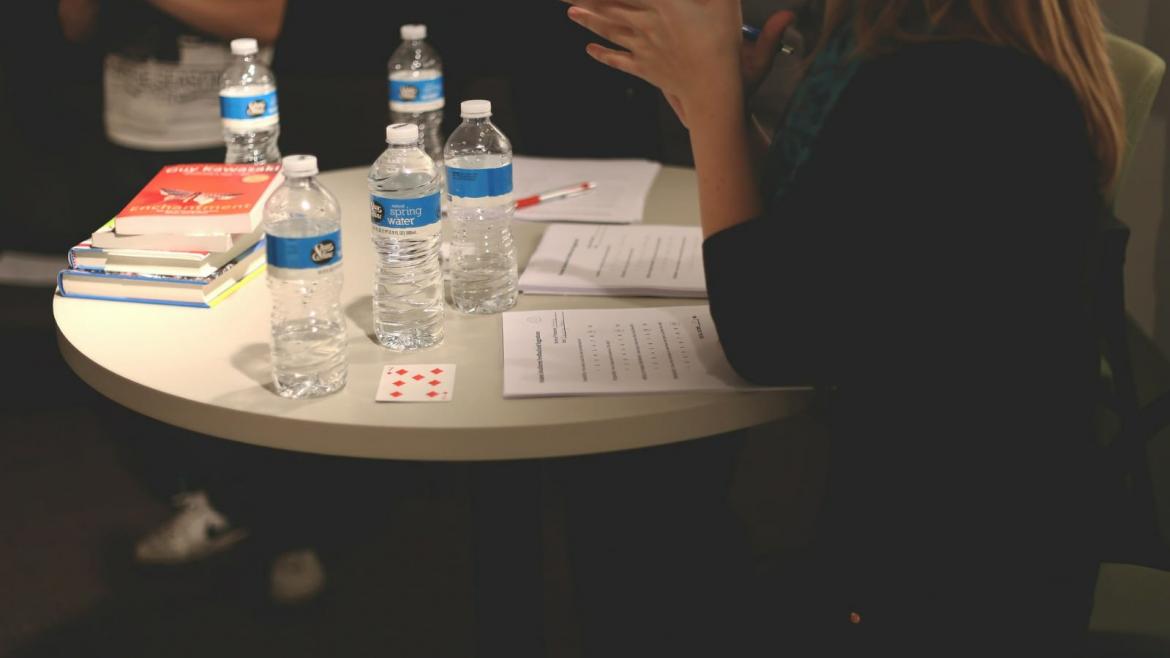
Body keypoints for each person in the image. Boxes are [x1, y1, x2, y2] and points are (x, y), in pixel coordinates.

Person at [566, 0, 1121, 655]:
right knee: (655, 525)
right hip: (949, 532)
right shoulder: (922, 43)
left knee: (642, 545)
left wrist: (713, 100)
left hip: (945, 583)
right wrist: (712, 101)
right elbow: (825, 243)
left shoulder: (945, 77)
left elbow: (769, 336)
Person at [57, 0, 333, 605]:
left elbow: (271, 21)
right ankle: (207, 498)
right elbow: (75, 28)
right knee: (137, 338)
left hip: (232, 143)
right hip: (124, 137)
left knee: (257, 338)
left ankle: (288, 527)